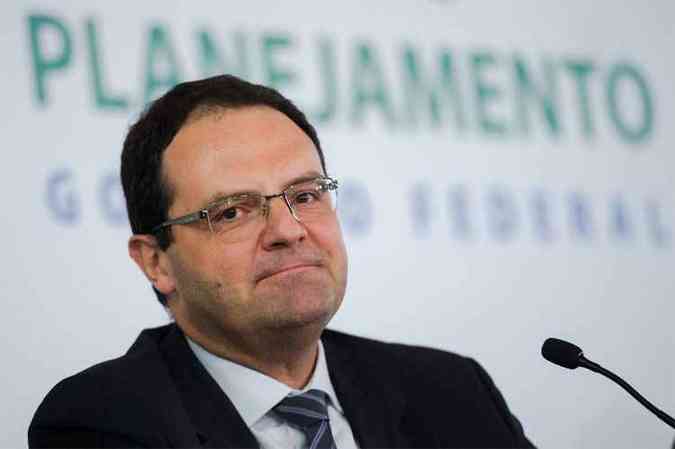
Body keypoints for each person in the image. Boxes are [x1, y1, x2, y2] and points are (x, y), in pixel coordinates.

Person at [29, 74, 534, 448]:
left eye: (307, 195)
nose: (289, 230)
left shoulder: (452, 391)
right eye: (231, 211)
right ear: (156, 262)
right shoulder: (101, 422)